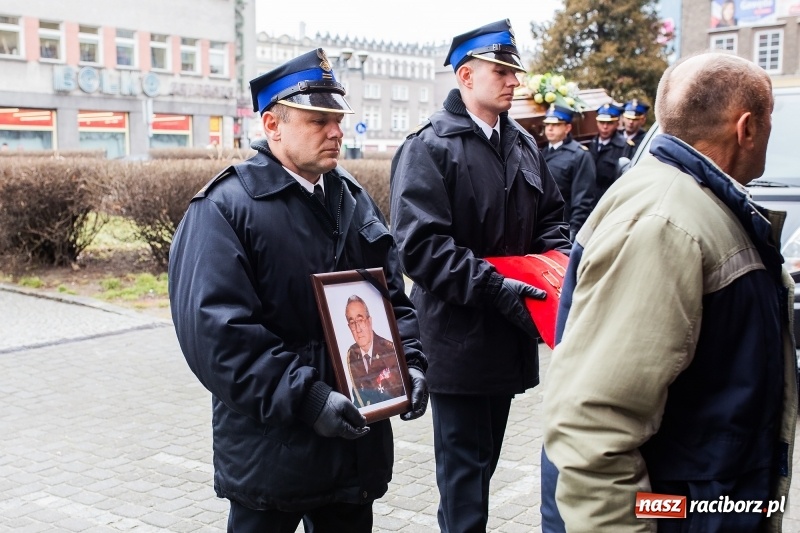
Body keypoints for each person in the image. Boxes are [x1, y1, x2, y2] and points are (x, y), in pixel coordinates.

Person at [168, 48, 429, 533]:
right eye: (318, 120)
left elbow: (392, 299)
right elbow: (219, 338)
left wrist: (410, 363)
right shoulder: (225, 209)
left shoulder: (352, 199)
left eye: (338, 119)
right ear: (272, 125)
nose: (336, 131)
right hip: (273, 454)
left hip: (353, 449)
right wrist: (308, 398)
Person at [541, 51, 797, 531]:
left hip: (704, 505)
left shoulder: (688, 201)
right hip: (679, 511)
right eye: (769, 122)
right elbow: (593, 430)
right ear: (747, 128)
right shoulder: (665, 223)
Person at [390, 19, 571, 533]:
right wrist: (499, 288)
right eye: (502, 71)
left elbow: (551, 220)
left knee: (483, 468)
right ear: (466, 76)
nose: (515, 80)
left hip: (507, 337)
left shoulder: (522, 144)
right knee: (465, 489)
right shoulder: (429, 147)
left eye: (515, 70)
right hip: (459, 343)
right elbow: (422, 250)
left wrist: (556, 265)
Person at [542, 104, 597, 240]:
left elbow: (582, 200)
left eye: (556, 125)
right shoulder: (541, 153)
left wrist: (573, 232)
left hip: (564, 227)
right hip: (543, 226)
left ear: (568, 128)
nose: (549, 128)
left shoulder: (579, 155)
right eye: (547, 124)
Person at [344, 295, 405, 407]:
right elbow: (359, 399)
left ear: (369, 321)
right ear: (349, 327)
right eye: (352, 323)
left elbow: (396, 394)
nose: (358, 329)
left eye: (360, 320)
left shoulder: (389, 350)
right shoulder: (352, 354)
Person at [588, 103, 635, 197]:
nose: (605, 127)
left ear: (617, 123)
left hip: (610, 196)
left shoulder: (625, 146)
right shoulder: (592, 143)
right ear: (597, 123)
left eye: (609, 123)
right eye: (602, 122)